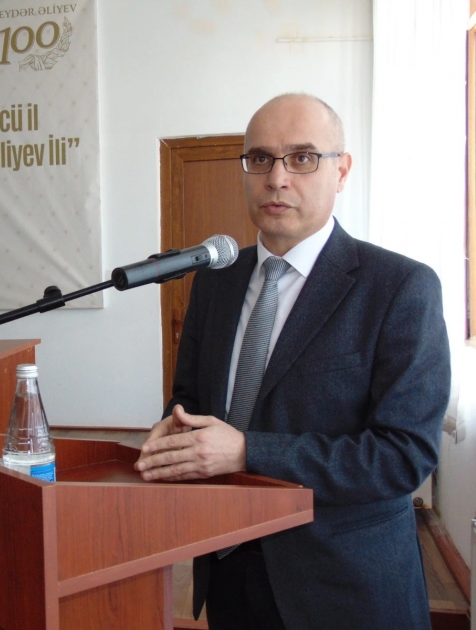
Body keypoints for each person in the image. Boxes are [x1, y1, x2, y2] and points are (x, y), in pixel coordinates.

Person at [135, 93, 451, 630]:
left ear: (341, 171)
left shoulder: (400, 287)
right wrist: (176, 427)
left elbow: (403, 457)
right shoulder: (215, 281)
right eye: (260, 158)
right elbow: (190, 397)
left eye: (302, 158)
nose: (276, 179)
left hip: (343, 588)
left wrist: (247, 451)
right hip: (229, 568)